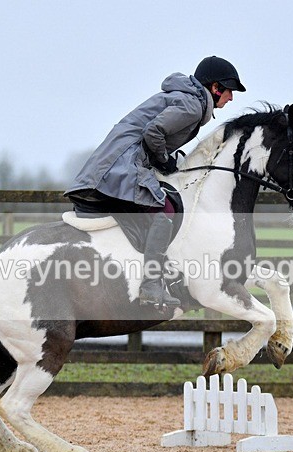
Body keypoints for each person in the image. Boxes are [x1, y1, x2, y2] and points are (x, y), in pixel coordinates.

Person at [64, 56, 245, 311]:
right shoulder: (192, 105)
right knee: (166, 209)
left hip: (120, 163)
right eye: (229, 91)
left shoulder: (188, 100)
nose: (231, 98)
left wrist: (163, 160)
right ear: (215, 88)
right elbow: (154, 132)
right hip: (121, 166)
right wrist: (164, 161)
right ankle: (151, 283)